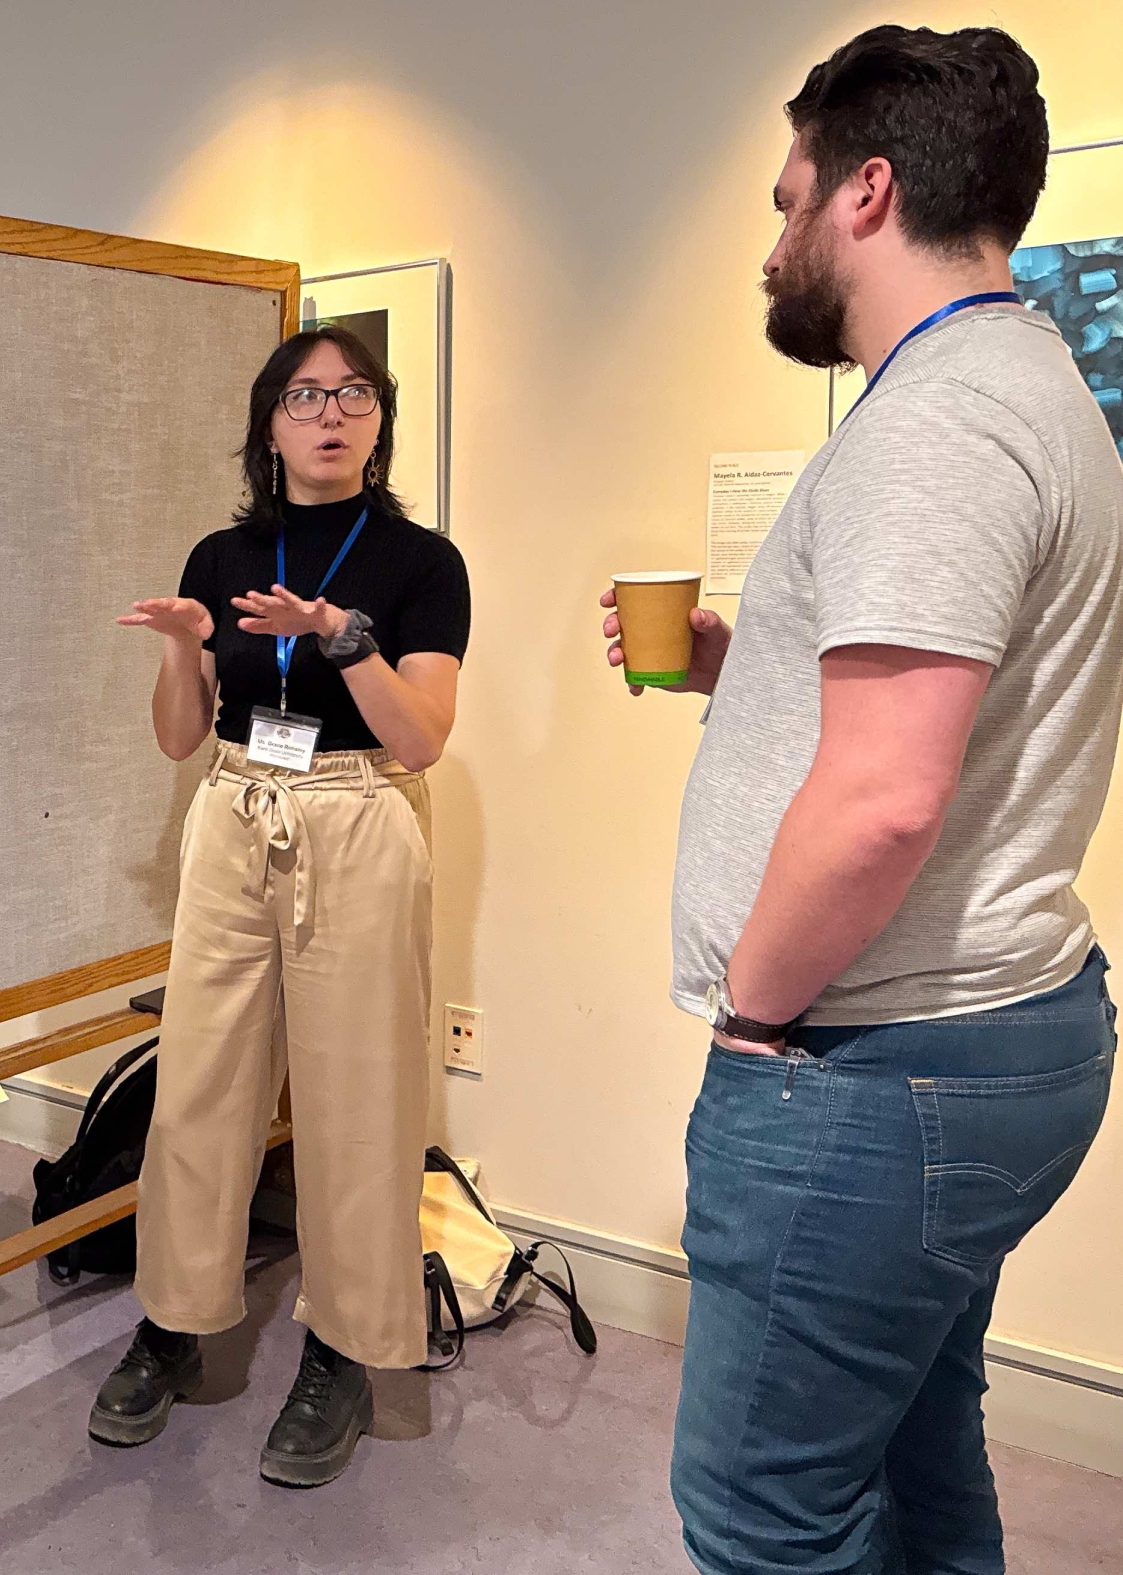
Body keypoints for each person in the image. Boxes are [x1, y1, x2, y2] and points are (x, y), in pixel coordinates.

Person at [600, 27, 1121, 1573]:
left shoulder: (938, 421)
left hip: (874, 1065)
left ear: (867, 192)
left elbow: (889, 798)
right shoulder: (1033, 386)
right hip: (987, 1034)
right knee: (913, 1448)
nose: (774, 244)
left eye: (786, 203)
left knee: (765, 1517)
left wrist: (756, 1022)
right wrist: (737, 665)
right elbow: (951, 709)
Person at [98, 325, 470, 1486]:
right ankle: (173, 1317)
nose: (332, 413)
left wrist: (341, 640)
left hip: (359, 815)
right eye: (308, 395)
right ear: (270, 422)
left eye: (355, 396)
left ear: (378, 421)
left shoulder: (422, 564)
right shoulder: (223, 552)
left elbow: (424, 740)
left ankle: (348, 1352)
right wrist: (182, 650)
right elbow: (179, 738)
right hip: (236, 810)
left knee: (358, 1095)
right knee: (199, 1080)